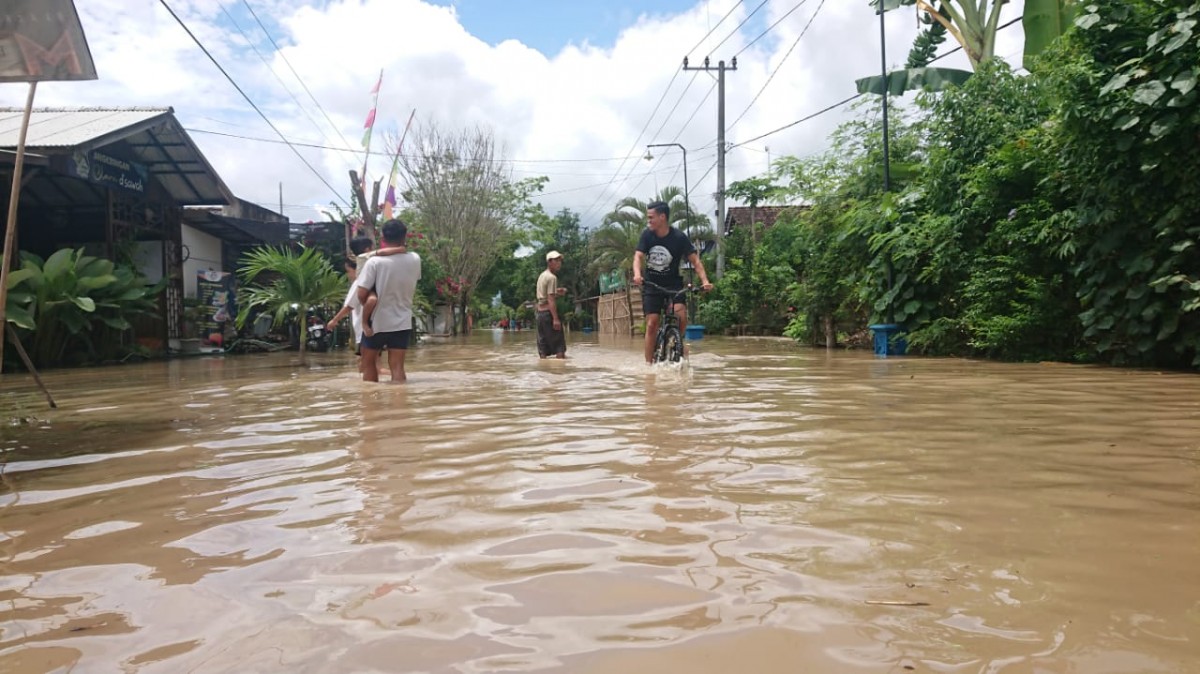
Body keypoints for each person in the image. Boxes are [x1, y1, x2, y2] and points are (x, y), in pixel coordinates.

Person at [632, 200, 713, 364]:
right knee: (652, 324)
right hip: (652, 285)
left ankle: (677, 341)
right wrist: (637, 274)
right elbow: (638, 256)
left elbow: (695, 261)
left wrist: (705, 281)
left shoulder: (679, 237)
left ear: (662, 217)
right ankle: (649, 365)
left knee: (681, 316)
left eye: (651, 217)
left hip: (673, 285)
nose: (649, 221)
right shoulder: (647, 235)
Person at [356, 219, 421, 382]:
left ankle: (371, 405)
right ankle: (400, 403)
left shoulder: (374, 262)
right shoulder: (415, 259)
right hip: (402, 321)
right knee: (398, 366)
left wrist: (370, 301)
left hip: (376, 321)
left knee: (369, 363)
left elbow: (360, 293)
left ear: (383, 237)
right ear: (404, 237)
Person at [536, 250, 568, 359]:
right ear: (549, 262)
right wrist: (555, 318)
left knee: (543, 346)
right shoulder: (552, 277)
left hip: (540, 315)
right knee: (559, 347)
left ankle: (544, 372)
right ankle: (560, 372)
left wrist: (557, 291)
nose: (559, 263)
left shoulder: (542, 275)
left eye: (560, 261)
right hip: (548, 314)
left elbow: (544, 295)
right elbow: (550, 299)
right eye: (556, 260)